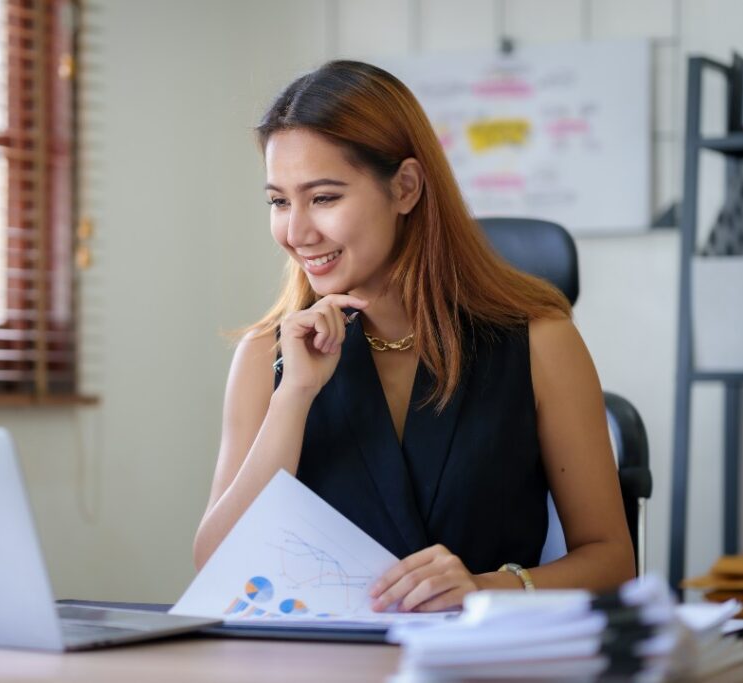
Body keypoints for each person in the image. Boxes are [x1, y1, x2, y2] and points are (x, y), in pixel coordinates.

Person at [192, 60, 635, 612]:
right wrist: (295, 396)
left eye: (324, 197)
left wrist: (482, 589)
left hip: (484, 665)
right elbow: (215, 566)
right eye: (279, 201)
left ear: (404, 188)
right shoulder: (268, 356)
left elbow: (612, 562)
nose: (296, 232)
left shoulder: (540, 341)